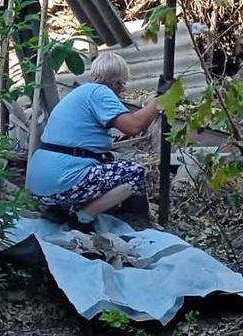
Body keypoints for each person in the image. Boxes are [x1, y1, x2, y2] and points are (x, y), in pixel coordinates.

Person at [25, 51, 161, 231]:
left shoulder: (80, 92)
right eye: (122, 85)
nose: (122, 91)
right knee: (134, 173)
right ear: (116, 83)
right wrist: (161, 101)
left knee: (107, 163)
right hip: (60, 182)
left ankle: (58, 210)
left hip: (38, 183)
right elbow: (133, 126)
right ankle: (82, 219)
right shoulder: (101, 93)